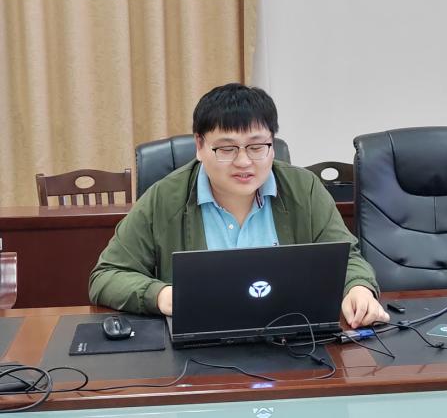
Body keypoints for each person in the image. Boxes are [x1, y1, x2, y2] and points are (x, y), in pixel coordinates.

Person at [89, 83, 389, 328]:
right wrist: (161, 295)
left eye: (257, 146)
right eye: (227, 148)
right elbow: (107, 275)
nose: (244, 161)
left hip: (291, 336)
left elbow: (347, 257)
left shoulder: (304, 189)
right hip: (199, 343)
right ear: (199, 146)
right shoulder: (164, 198)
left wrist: (358, 288)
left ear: (272, 145)